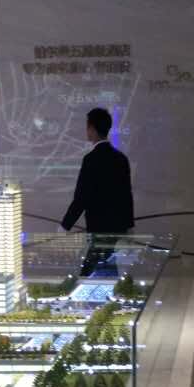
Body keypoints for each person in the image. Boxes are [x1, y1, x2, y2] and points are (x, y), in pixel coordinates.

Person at [60, 107, 134, 277]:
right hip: (118, 226)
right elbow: (127, 195)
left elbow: (81, 197)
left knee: (90, 270)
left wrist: (65, 225)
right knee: (107, 265)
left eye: (87, 127)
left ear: (92, 129)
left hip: (98, 226)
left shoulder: (91, 159)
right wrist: (129, 225)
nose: (86, 131)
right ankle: (112, 289)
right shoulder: (121, 159)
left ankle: (86, 286)